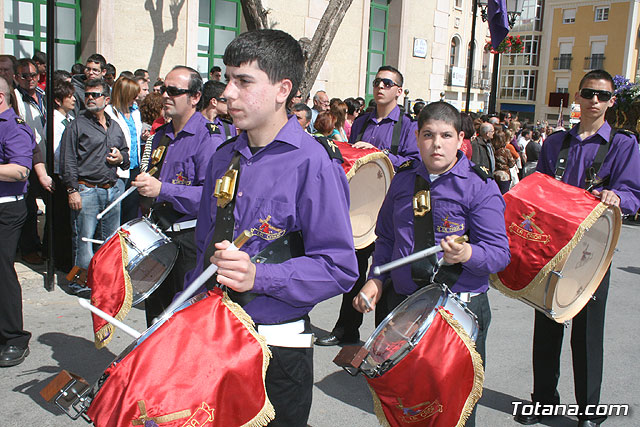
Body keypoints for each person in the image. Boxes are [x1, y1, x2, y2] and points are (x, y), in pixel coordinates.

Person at [185, 29, 358, 426]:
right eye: (228, 79)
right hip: (214, 338)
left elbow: (338, 267)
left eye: (243, 81)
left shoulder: (314, 163)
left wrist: (259, 276)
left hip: (276, 354)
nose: (228, 92)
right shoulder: (222, 158)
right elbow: (203, 253)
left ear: (283, 90)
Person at [353, 101, 510, 426]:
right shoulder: (403, 180)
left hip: (457, 310)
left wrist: (468, 255)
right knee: (408, 401)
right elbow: (386, 239)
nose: (436, 144)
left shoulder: (479, 187)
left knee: (453, 405)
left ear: (460, 139)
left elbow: (499, 254)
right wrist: (376, 279)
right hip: (406, 306)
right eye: (428, 135)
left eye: (445, 135)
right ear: (417, 137)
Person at [514, 70, 640, 427]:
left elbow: (634, 195)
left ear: (611, 101)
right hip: (552, 249)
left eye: (602, 95)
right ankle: (543, 400)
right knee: (547, 327)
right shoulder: (555, 143)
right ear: (578, 97)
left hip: (593, 253)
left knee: (587, 333)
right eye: (588, 93)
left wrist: (618, 197)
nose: (594, 101)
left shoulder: (624, 145)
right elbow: (538, 191)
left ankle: (589, 411)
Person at [316, 64, 420, 347]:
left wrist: (380, 154)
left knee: (386, 271)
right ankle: (346, 329)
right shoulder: (361, 122)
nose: (380, 87)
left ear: (399, 91)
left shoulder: (407, 125)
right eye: (377, 82)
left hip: (391, 209)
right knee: (354, 268)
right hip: (362, 209)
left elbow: (414, 162)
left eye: (387, 83)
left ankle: (381, 339)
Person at [132, 66, 223, 327]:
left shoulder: (209, 138)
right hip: (156, 237)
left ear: (195, 97)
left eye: (174, 91)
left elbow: (212, 197)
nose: (166, 96)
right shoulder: (160, 136)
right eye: (163, 90)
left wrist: (163, 189)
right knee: (156, 315)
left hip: (188, 240)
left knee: (185, 319)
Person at [60, 78, 129, 280]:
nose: (90, 98)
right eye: (87, 95)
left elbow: (125, 155)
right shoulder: (77, 126)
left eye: (95, 95)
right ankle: (79, 281)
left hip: (112, 188)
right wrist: (72, 190)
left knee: (109, 241)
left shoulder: (114, 126)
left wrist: (121, 157)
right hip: (87, 189)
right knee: (84, 240)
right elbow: (68, 160)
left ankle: (103, 282)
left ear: (106, 99)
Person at [0, 75, 35, 367]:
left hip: (6, 210)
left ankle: (14, 337)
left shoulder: (14, 127)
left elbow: (21, 170)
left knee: (2, 271)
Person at [105, 77, 143, 224]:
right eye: (133, 95)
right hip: (119, 169)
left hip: (135, 166)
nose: (136, 98)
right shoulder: (109, 112)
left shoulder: (135, 111)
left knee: (131, 210)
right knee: (116, 212)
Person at [50, 80, 76, 274]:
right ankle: (60, 260)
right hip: (59, 174)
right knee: (60, 220)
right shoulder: (54, 123)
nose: (74, 99)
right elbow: (57, 152)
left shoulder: (71, 117)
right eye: (70, 97)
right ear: (59, 101)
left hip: (69, 172)